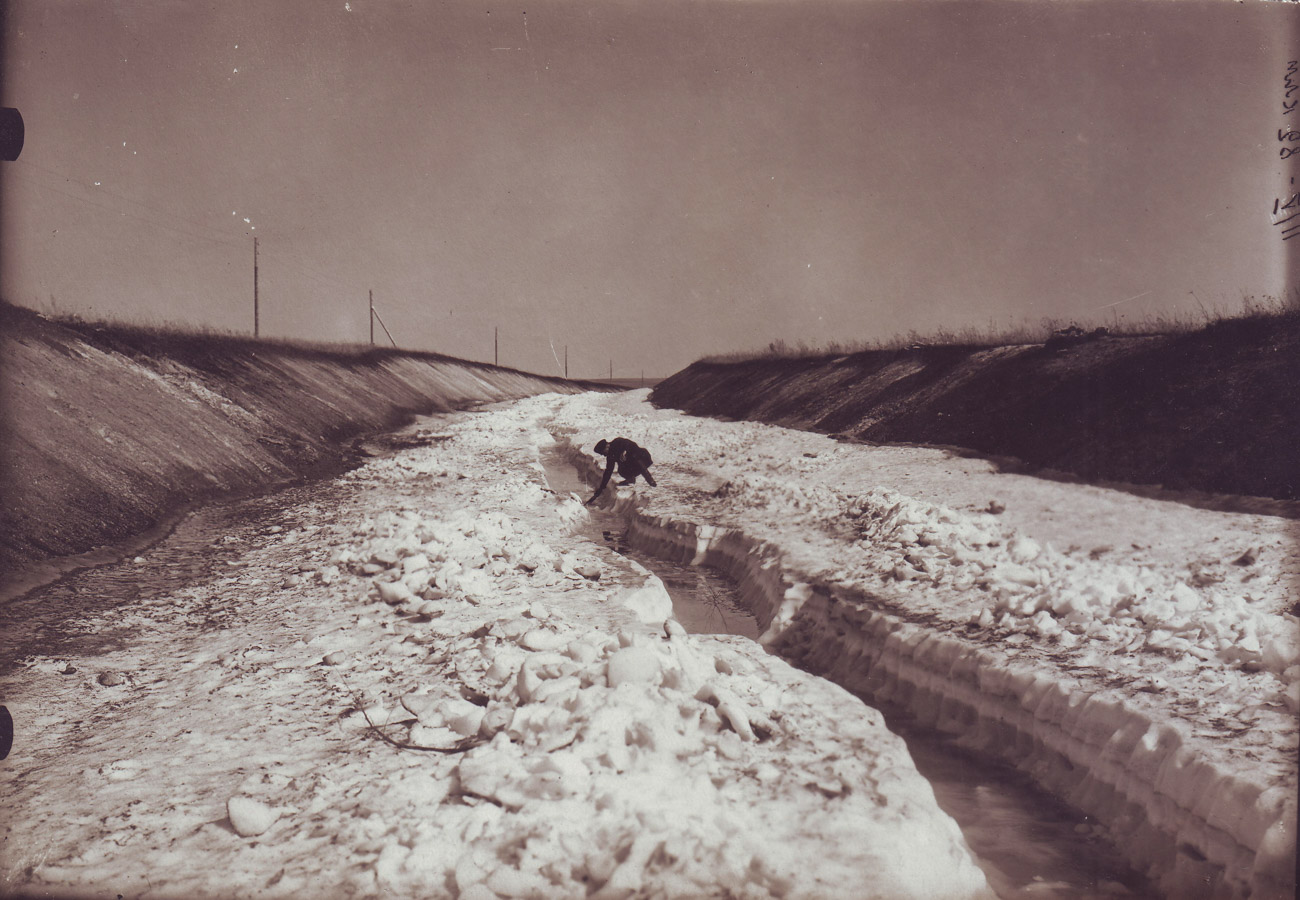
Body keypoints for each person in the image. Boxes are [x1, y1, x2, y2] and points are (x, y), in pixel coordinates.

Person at [586, 437, 656, 505]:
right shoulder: (610, 456)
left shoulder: (618, 442)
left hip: (644, 459)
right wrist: (601, 488)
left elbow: (633, 445)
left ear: (607, 446)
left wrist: (625, 451)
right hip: (635, 466)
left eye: (603, 453)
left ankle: (649, 478)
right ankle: (631, 479)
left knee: (634, 456)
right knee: (621, 470)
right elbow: (608, 472)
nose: (604, 455)